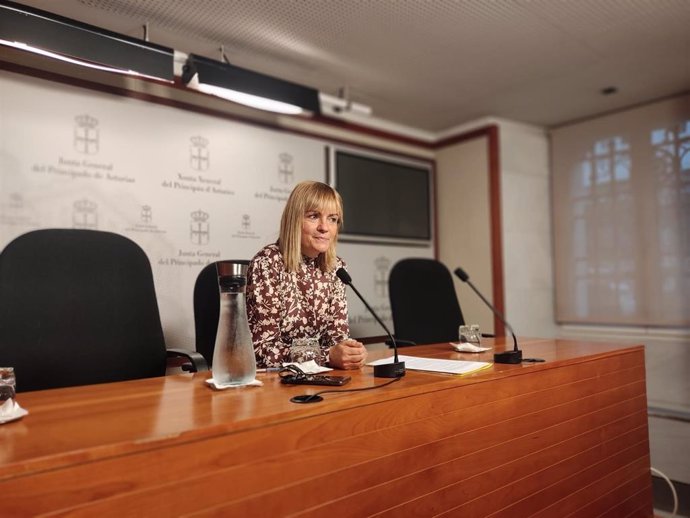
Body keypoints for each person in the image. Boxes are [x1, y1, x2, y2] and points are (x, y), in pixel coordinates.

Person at [246, 181, 367, 370]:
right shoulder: (268, 263)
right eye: (313, 216)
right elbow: (262, 350)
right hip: (275, 384)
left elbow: (337, 340)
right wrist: (326, 355)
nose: (324, 227)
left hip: (321, 379)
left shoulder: (336, 268)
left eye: (333, 219)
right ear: (294, 220)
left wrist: (350, 353)